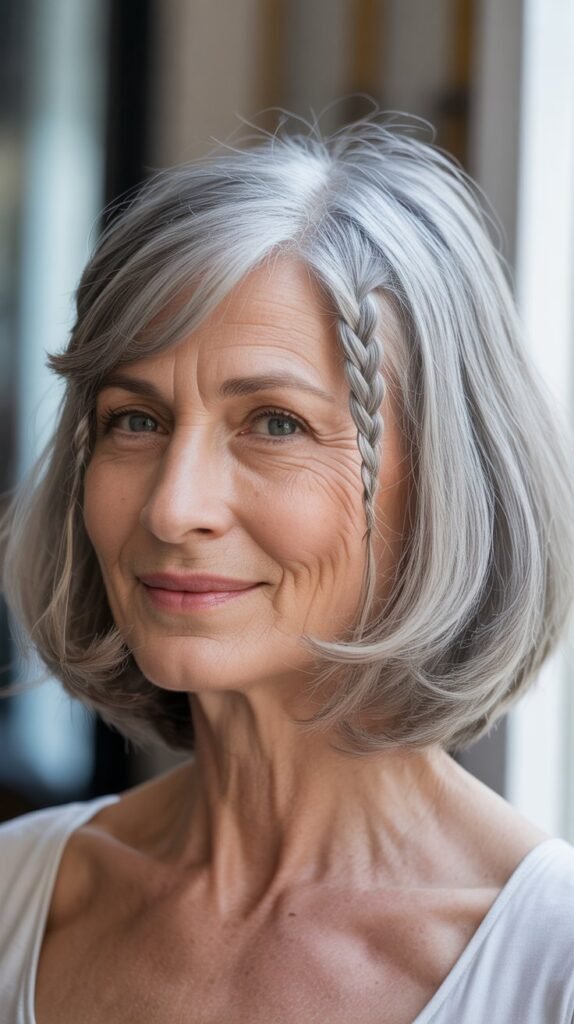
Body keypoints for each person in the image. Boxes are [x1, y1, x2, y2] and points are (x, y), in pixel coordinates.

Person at [1, 112, 574, 1024]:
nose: (172, 506)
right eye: (135, 420)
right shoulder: (17, 898)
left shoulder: (548, 965)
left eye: (275, 423)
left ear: (442, 484)